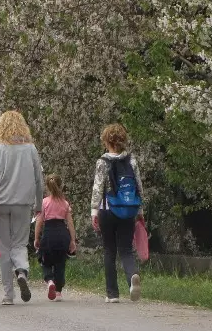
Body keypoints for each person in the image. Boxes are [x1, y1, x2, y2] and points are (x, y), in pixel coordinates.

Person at [0, 110, 44, 305]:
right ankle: (21, 271)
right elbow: (38, 179)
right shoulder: (30, 149)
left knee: (2, 248)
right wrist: (38, 204)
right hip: (23, 202)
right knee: (19, 243)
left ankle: (8, 295)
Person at [90, 123, 144, 303]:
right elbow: (138, 186)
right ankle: (132, 278)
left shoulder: (102, 162)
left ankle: (112, 294)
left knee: (109, 251)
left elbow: (98, 188)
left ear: (107, 141)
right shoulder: (132, 161)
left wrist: (94, 211)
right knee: (126, 250)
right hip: (128, 210)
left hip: (108, 209)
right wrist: (140, 210)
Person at [34, 174, 77, 302]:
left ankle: (50, 280)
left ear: (47, 187)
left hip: (49, 234)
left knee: (45, 261)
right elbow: (70, 223)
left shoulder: (44, 202)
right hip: (62, 234)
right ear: (61, 186)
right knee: (60, 262)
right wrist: (72, 240)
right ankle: (58, 291)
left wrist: (36, 238)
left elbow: (39, 221)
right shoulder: (65, 203)